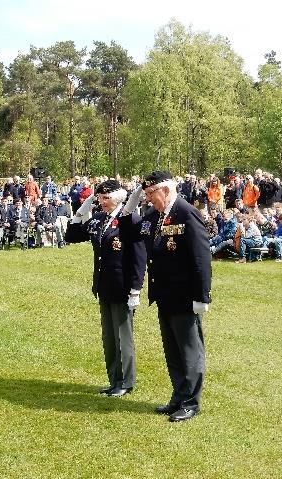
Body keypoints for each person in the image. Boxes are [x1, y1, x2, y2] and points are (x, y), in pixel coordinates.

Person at [119, 171, 212, 422]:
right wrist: (131, 203)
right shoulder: (154, 216)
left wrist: (202, 295)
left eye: (151, 193)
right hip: (164, 295)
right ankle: (178, 396)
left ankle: (191, 402)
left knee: (189, 350)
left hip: (184, 295)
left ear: (166, 190)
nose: (148, 199)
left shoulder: (186, 213)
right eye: (146, 194)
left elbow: (201, 258)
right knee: (172, 351)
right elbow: (129, 235)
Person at [65, 180, 146, 397]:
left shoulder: (129, 219)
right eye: (99, 198)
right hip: (104, 286)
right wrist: (85, 206)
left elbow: (139, 258)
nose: (101, 202)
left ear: (118, 198)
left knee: (123, 338)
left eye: (105, 198)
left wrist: (135, 290)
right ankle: (114, 380)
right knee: (109, 338)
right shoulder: (100, 219)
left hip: (122, 287)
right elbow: (71, 236)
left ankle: (125, 381)